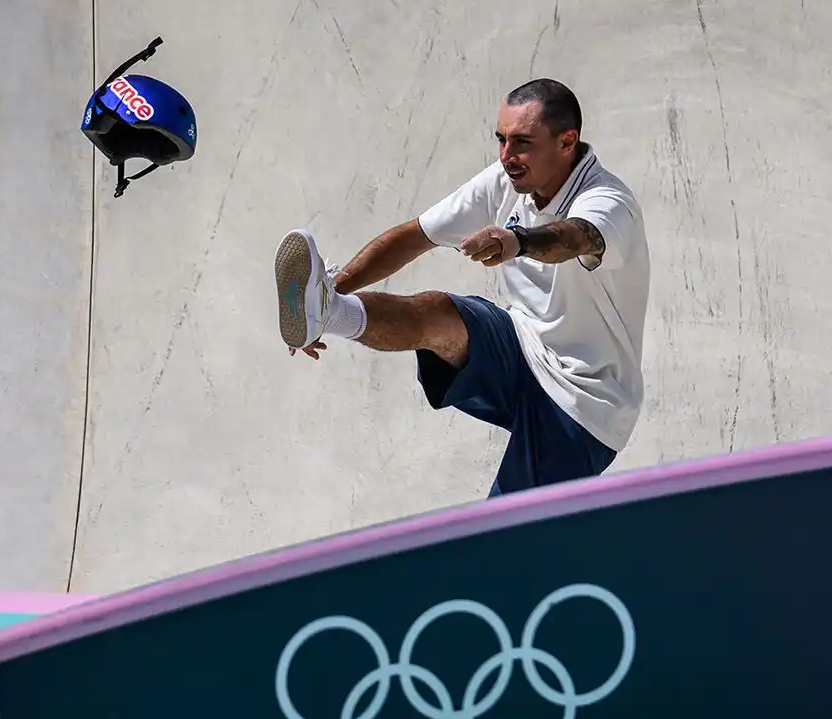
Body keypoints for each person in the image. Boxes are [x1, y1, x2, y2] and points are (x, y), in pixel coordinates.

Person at [273, 78, 650, 496]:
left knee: (504, 540)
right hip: (523, 349)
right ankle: (330, 310)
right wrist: (328, 291)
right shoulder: (503, 181)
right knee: (438, 312)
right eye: (501, 140)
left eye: (522, 142)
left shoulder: (607, 201)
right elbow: (415, 236)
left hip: (587, 402)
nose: (507, 156)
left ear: (567, 141)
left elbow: (577, 237)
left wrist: (520, 241)